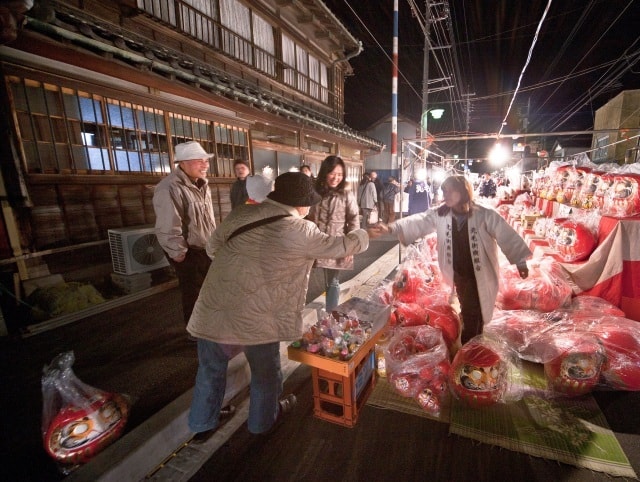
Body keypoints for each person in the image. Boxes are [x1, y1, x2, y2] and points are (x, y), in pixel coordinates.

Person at [186, 172, 369, 439]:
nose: (310, 208)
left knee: (210, 369)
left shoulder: (241, 214)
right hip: (259, 317)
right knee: (265, 374)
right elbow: (338, 246)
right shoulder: (301, 229)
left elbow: (213, 248)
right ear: (300, 203)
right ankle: (262, 423)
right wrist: (364, 233)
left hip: (215, 308)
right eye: (309, 203)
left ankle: (203, 425)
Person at [369, 175, 531, 344]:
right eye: (444, 191)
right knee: (469, 307)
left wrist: (520, 261)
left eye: (449, 191)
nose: (445, 195)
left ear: (462, 191)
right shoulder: (441, 213)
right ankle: (473, 341)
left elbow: (505, 234)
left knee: (474, 309)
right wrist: (390, 228)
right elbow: (419, 221)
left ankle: (471, 344)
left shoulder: (484, 214)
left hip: (480, 273)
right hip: (458, 271)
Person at [153, 141, 216, 328]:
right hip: (188, 250)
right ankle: (194, 331)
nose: (205, 165)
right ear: (183, 162)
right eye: (199, 160)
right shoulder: (169, 187)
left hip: (205, 246)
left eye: (206, 160)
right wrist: (178, 252)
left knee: (209, 289)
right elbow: (167, 223)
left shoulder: (202, 183)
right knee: (193, 292)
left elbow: (208, 219)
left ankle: (207, 326)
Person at [307, 155, 360, 312]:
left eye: (340, 174)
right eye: (333, 173)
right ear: (325, 172)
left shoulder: (346, 194)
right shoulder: (314, 192)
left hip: (335, 243)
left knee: (333, 281)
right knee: (305, 278)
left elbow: (354, 219)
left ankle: (331, 315)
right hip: (313, 241)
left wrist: (351, 245)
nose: (336, 177)